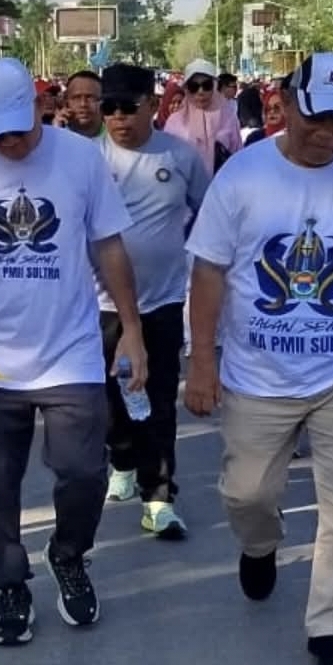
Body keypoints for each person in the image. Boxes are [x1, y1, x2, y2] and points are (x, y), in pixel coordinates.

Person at [184, 53, 333, 665]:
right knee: (248, 493)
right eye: (315, 119)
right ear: (286, 105)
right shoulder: (242, 177)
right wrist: (201, 361)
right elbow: (208, 272)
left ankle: (331, 625)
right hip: (258, 374)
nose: (327, 134)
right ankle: (260, 544)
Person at [0, 57, 147, 647]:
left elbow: (110, 247)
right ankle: (11, 585)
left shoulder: (81, 160)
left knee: (82, 473)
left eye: (20, 129)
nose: (12, 143)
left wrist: (132, 328)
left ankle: (69, 554)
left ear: (39, 107)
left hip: (71, 352)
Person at [96, 64, 209, 537]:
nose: (118, 118)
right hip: (99, 306)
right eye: (109, 108)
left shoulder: (179, 156)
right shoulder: (89, 160)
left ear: (152, 105)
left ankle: (159, 496)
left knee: (159, 399)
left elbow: (210, 212)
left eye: (129, 107)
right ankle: (121, 459)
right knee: (111, 402)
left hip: (161, 302)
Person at [164, 58, 242, 175]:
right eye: (194, 87)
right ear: (187, 89)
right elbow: (167, 162)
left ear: (214, 86)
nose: (200, 92)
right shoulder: (175, 122)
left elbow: (238, 156)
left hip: (223, 183)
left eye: (206, 85)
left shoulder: (228, 118)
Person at [62, 70, 104, 138]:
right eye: (76, 97)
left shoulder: (115, 137)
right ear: (66, 102)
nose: (83, 104)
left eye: (90, 97)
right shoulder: (52, 135)